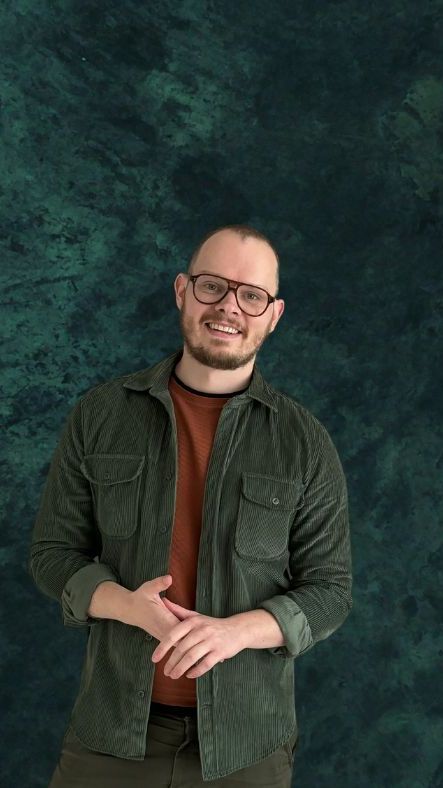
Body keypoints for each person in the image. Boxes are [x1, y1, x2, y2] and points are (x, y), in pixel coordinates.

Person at [29, 224, 353, 787]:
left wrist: (235, 632)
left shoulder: (305, 442)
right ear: (182, 290)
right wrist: (129, 607)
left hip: (247, 746)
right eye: (212, 286)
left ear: (274, 315)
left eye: (251, 295)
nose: (229, 306)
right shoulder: (100, 415)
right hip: (111, 734)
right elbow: (52, 556)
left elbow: (331, 591)